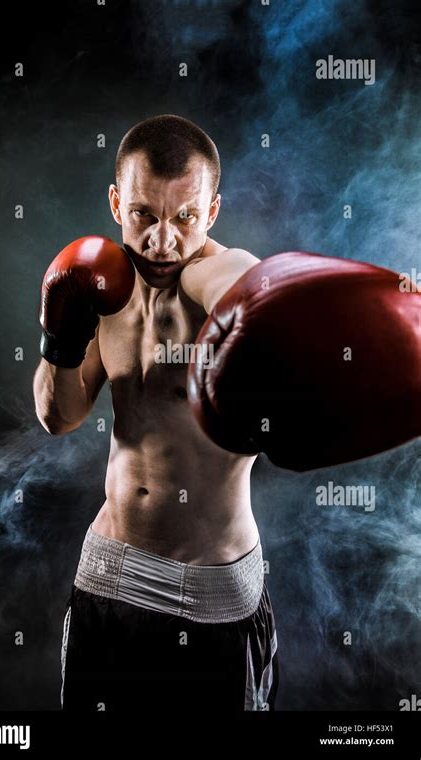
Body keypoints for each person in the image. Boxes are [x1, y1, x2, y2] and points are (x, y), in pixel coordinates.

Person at [33, 114, 420, 713]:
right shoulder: (99, 285)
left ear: (211, 212)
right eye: (144, 215)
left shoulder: (221, 276)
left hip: (206, 593)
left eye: (185, 218)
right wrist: (60, 341)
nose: (163, 241)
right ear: (116, 203)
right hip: (107, 573)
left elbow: (246, 285)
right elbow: (60, 417)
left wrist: (270, 315)